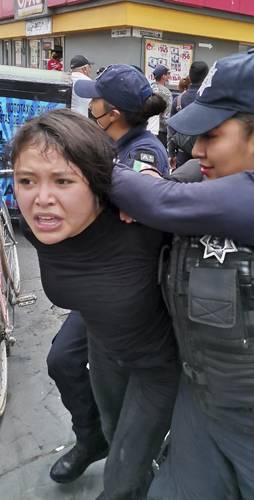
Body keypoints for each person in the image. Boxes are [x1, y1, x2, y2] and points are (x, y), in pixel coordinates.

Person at [13, 108, 180, 500]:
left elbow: (215, 190)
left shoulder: (141, 223)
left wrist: (156, 183)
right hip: (105, 351)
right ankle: (94, 445)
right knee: (110, 432)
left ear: (99, 183)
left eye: (63, 180)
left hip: (159, 369)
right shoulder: (37, 229)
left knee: (121, 478)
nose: (42, 199)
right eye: (26, 180)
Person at [110, 49, 254, 500]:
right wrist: (150, 181)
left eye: (212, 135)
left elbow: (161, 203)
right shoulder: (203, 178)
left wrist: (85, 164)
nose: (197, 149)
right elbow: (163, 193)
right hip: (202, 399)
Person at [46, 63, 171, 486]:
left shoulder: (143, 151)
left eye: (94, 98)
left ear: (111, 110)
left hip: (129, 297)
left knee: (118, 398)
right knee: (62, 359)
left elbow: (126, 206)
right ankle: (91, 437)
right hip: (97, 287)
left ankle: (125, 465)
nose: (89, 104)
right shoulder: (104, 143)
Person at [75, 64, 170, 174]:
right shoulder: (114, 140)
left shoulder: (142, 154)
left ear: (113, 115)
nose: (90, 105)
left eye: (95, 99)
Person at [169, 60, 209, 169]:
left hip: (182, 153)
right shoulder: (210, 100)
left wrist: (171, 154)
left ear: (190, 77)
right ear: (207, 77)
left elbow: (171, 129)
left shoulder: (178, 99)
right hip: (205, 155)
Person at [151, 64, 172, 149]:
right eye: (168, 74)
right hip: (161, 131)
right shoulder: (166, 92)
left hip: (147, 127)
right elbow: (167, 115)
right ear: (163, 76)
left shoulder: (149, 87)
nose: (169, 76)